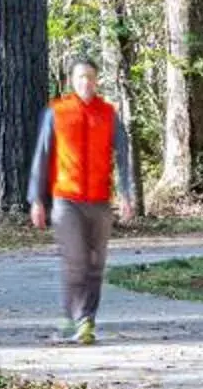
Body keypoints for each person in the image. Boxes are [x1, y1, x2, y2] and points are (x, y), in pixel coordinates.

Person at [26, 57, 138, 344]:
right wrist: (36, 199)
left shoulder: (108, 113)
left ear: (97, 80)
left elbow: (124, 156)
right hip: (67, 200)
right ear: (71, 81)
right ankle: (76, 318)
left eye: (90, 76)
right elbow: (42, 155)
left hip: (100, 201)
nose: (85, 82)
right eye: (80, 77)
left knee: (96, 263)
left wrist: (126, 194)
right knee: (76, 259)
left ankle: (86, 319)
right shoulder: (57, 111)